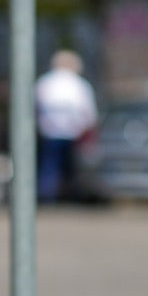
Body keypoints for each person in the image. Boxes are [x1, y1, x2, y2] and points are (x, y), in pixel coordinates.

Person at [35, 49, 97, 203]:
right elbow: (88, 113)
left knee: (49, 167)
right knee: (72, 169)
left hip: (49, 132)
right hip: (74, 133)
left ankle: (47, 197)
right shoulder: (80, 84)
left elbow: (35, 107)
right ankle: (71, 197)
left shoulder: (45, 82)